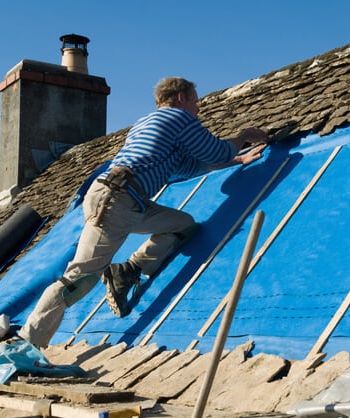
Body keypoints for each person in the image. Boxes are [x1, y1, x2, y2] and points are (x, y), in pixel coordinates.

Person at [18, 77, 269, 349]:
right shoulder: (177, 118)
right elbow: (212, 150)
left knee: (182, 225)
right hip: (117, 199)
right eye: (195, 101)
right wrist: (243, 137)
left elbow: (187, 168)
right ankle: (27, 343)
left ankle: (128, 270)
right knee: (80, 278)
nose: (199, 109)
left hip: (128, 200)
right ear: (181, 97)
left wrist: (237, 159)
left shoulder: (147, 124)